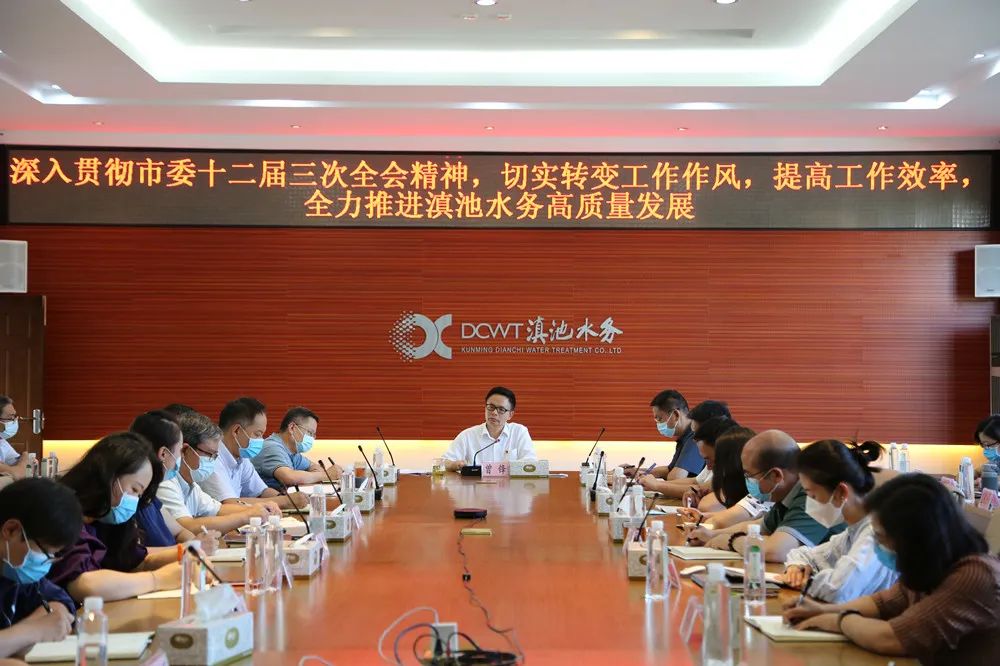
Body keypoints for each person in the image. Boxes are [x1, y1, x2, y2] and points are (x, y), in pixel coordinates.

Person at [785, 474, 1000, 664]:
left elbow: (891, 638)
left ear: (914, 537)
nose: (877, 545)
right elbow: (881, 603)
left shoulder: (975, 575)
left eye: (881, 537)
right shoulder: (928, 565)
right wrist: (821, 610)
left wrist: (838, 620)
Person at [48, 433, 183, 602]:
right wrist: (157, 579)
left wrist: (184, 555)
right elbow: (84, 584)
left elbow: (135, 560)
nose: (134, 501)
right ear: (109, 475)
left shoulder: (106, 519)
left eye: (139, 495)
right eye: (134, 490)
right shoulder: (62, 512)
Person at [689, 430, 845, 562]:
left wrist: (732, 541)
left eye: (749, 475)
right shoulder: (786, 495)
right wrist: (710, 535)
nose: (747, 481)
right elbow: (759, 528)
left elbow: (776, 551)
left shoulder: (813, 495)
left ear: (776, 475)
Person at [781, 440, 898, 602]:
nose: (809, 504)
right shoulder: (853, 531)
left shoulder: (876, 534)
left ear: (841, 492)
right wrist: (797, 567)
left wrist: (805, 580)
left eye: (812, 495)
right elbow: (804, 554)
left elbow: (838, 591)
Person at [157, 411, 277, 533]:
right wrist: (246, 516)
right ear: (185, 450)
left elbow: (219, 509)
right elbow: (186, 526)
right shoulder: (166, 483)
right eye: (209, 454)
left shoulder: (191, 485)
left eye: (215, 456)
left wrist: (259, 509)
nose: (212, 461)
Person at [0, 479, 81, 658]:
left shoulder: (15, 573)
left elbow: (59, 600)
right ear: (11, 530)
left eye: (54, 554)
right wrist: (30, 631)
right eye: (46, 552)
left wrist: (52, 615)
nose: (47, 562)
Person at [197, 397, 297, 509]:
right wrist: (286, 501)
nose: (261, 440)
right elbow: (229, 504)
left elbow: (261, 491)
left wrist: (285, 498)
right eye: (257, 434)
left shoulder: (241, 455)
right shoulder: (210, 458)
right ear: (236, 431)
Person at [129, 410, 197, 547]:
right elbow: (138, 555)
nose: (181, 457)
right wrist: (186, 549)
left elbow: (182, 532)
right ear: (164, 454)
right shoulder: (127, 503)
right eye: (180, 451)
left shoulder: (150, 496)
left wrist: (194, 544)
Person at [442, 387, 536, 472]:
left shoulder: (519, 432)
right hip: (476, 485)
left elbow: (531, 463)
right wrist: (453, 465)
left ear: (510, 415)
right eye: (491, 407)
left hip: (510, 485)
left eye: (501, 409)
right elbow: (443, 462)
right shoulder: (467, 435)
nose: (494, 413)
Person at [643, 414, 733, 501]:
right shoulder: (714, 454)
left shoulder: (732, 468)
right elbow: (696, 482)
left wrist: (657, 485)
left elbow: (678, 477)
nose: (693, 438)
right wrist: (655, 484)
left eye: (696, 432)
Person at [254, 407, 343, 489]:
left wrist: (310, 476)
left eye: (314, 435)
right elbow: (289, 477)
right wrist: (326, 475)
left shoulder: (292, 452)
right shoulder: (271, 447)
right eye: (310, 432)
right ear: (292, 428)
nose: (312, 438)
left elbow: (315, 467)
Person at [632, 390, 703, 482]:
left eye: (659, 419)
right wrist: (637, 471)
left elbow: (676, 477)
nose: (658, 424)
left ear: (676, 415)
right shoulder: (683, 437)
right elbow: (670, 469)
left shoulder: (695, 435)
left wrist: (653, 483)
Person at [0, 397, 26, 482]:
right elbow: (18, 474)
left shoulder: (2, 442)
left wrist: (24, 458)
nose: (15, 421)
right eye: (10, 417)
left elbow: (27, 460)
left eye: (14, 416)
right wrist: (24, 457)